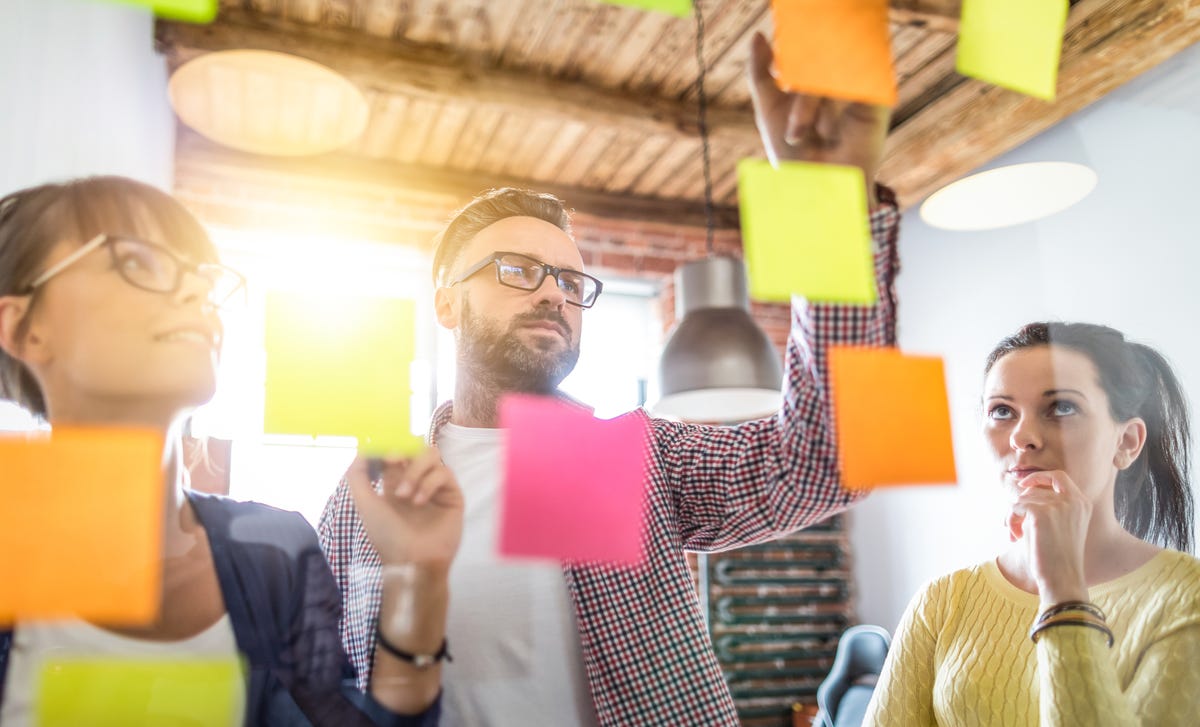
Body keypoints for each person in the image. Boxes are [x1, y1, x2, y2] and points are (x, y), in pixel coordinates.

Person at [318, 33, 897, 725]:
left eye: (568, 279)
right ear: (447, 301)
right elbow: (332, 688)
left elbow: (832, 460)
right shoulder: (371, 493)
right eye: (517, 270)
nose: (553, 295)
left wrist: (832, 214)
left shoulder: (621, 458)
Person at [0, 176, 463, 726]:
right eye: (138, 262)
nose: (198, 294)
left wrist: (421, 577)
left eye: (203, 278)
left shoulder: (276, 554)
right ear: (25, 328)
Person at [863, 322, 1200, 726]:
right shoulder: (942, 601)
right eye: (1002, 411)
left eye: (1061, 407)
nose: (1022, 437)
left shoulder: (1186, 598)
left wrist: (1063, 591)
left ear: (1126, 441)